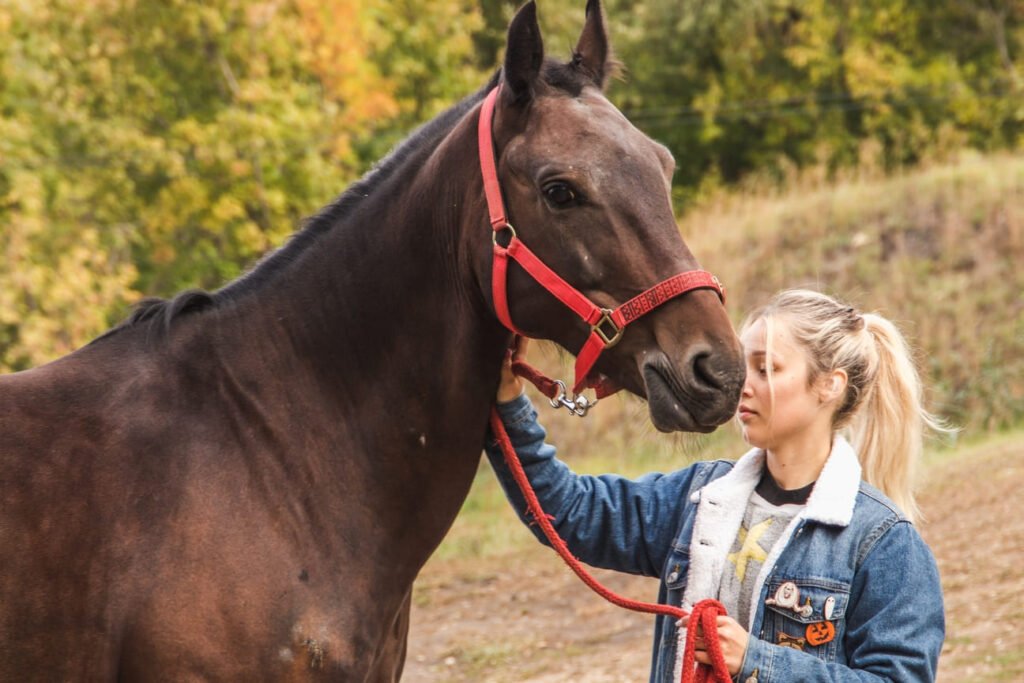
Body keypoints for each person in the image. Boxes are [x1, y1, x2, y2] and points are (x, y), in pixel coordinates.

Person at [484, 289, 949, 682]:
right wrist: (507, 402)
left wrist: (755, 662)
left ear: (828, 386)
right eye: (746, 366)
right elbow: (572, 514)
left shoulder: (884, 543)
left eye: (767, 369)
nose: (743, 385)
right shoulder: (699, 497)